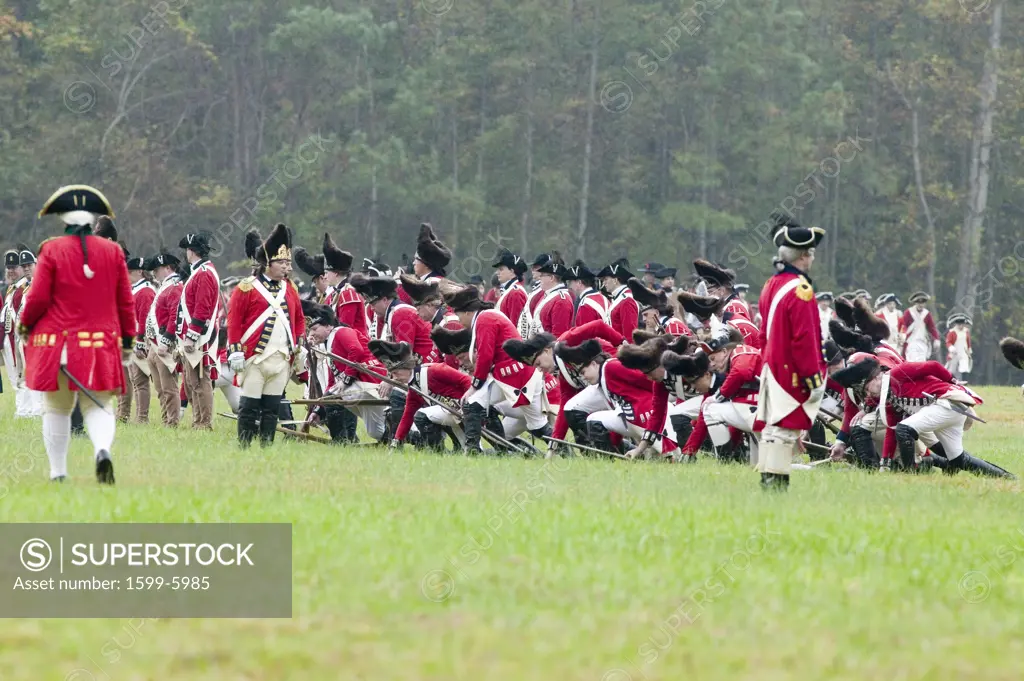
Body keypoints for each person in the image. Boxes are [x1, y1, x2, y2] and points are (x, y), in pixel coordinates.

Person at [19, 184, 135, 484]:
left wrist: (25, 325)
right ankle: (101, 450)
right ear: (91, 219)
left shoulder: (51, 249)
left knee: (56, 408)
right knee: (99, 405)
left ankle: (58, 473)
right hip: (100, 344)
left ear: (64, 218)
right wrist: (128, 339)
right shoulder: (113, 251)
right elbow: (125, 300)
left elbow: (39, 297)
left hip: (58, 345)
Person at [831, 355, 1012, 478]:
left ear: (875, 379)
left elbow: (932, 366)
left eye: (866, 389)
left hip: (948, 403)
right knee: (958, 459)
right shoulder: (888, 400)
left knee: (906, 429)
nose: (868, 395)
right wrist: (884, 464)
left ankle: (911, 473)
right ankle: (1007, 477)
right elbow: (891, 432)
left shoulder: (898, 372)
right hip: (945, 411)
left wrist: (952, 380)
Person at [753, 215, 827, 491]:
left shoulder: (770, 285)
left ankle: (769, 482)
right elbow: (804, 339)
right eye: (810, 254)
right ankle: (777, 486)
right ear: (804, 257)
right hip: (792, 369)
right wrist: (812, 376)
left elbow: (764, 334)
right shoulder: (801, 290)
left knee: (774, 429)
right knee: (784, 430)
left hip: (772, 365)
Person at [438, 285, 550, 452]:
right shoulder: (485, 317)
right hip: (511, 375)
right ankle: (495, 450)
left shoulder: (484, 319)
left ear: (468, 312)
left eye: (458, 314)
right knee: (475, 405)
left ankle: (479, 451)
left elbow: (485, 356)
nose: (459, 321)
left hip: (516, 376)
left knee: (537, 427)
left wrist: (474, 386)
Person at [227, 224, 306, 448]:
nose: (286, 267)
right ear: (267, 263)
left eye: (288, 262)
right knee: (249, 407)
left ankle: (266, 447)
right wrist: (235, 350)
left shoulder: (290, 288)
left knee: (272, 408)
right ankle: (244, 446)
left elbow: (298, 319)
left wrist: (299, 345)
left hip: (281, 359)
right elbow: (234, 322)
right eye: (282, 262)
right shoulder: (246, 288)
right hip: (255, 358)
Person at [302, 300, 388, 443]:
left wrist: (346, 378)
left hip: (370, 383)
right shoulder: (329, 345)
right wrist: (319, 410)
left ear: (328, 325)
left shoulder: (341, 331)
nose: (311, 334)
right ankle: (411, 438)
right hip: (361, 387)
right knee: (376, 432)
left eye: (315, 329)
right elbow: (332, 383)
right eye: (309, 331)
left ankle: (340, 441)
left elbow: (356, 350)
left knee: (334, 397)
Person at [370, 339, 472, 451]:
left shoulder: (434, 370)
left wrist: (468, 404)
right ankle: (439, 452)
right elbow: (407, 417)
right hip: (451, 415)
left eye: (396, 372)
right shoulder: (414, 388)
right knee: (467, 451)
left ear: (406, 367)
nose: (394, 378)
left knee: (422, 415)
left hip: (466, 411)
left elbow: (466, 381)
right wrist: (396, 440)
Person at [177, 232, 220, 431]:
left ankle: (204, 423)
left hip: (200, 336)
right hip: (195, 335)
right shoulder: (200, 271)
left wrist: (192, 335)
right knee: (191, 381)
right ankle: (198, 421)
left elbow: (202, 307)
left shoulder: (203, 273)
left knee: (201, 380)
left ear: (191, 251)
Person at [145, 252, 185, 427]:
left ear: (168, 268)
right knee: (160, 388)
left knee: (169, 388)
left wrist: (166, 341)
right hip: (154, 343)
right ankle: (165, 419)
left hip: (164, 343)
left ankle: (172, 421)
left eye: (158, 269)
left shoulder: (175, 286)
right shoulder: (164, 286)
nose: (154, 273)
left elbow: (173, 316)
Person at [122, 254, 155, 424]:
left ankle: (142, 417)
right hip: (131, 339)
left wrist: (140, 342)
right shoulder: (138, 290)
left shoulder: (145, 292)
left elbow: (144, 320)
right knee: (133, 381)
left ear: (139, 272)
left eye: (130, 272)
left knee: (140, 382)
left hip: (139, 341)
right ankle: (131, 415)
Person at [598, 258, 640, 340]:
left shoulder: (627, 301)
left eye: (606, 279)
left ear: (615, 280)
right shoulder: (620, 298)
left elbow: (629, 336)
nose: (604, 283)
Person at [565, 260, 609, 326]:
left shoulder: (585, 305)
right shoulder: (604, 298)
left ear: (579, 282)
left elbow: (584, 334)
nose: (569, 286)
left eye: (570, 282)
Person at [898, 291, 940, 361]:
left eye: (923, 302)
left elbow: (932, 328)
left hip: (923, 341)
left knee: (922, 361)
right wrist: (903, 334)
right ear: (915, 303)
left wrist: (936, 339)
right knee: (911, 361)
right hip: (911, 341)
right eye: (918, 302)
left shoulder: (926, 313)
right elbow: (903, 325)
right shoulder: (909, 312)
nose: (921, 305)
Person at [492, 249, 529, 325]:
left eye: (501, 269)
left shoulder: (516, 293)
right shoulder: (511, 290)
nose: (497, 272)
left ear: (512, 271)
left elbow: (516, 324)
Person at [945, 314, 973, 381]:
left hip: (964, 353)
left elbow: (968, 341)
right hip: (954, 353)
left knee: (964, 368)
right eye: (959, 324)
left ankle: (965, 383)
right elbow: (948, 342)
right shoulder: (952, 332)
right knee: (951, 370)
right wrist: (951, 348)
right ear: (956, 324)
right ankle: (952, 383)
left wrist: (969, 350)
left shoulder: (966, 331)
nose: (961, 326)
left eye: (962, 324)